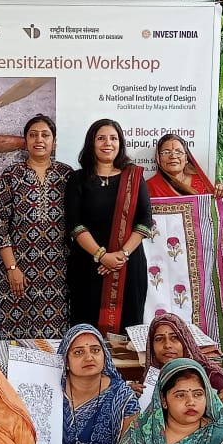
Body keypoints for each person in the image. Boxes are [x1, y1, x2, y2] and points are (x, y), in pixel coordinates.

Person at [65, 118, 154, 334]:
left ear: (120, 143)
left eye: (113, 138)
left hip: (128, 266)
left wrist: (120, 256)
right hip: (88, 266)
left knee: (127, 331)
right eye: (101, 138)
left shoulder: (134, 177)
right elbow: (75, 225)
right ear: (91, 143)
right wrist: (102, 255)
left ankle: (126, 370)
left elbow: (144, 221)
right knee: (86, 329)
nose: (108, 143)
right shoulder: (78, 179)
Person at [0, 114, 73, 339]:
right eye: (33, 135)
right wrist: (11, 269)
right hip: (18, 272)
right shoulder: (12, 175)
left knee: (54, 340)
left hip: (58, 272)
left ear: (54, 141)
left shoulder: (67, 175)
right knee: (16, 339)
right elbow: (0, 225)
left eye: (45, 135)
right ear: (25, 140)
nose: (39, 140)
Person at [60, 323, 139, 444]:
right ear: (66, 361)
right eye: (78, 352)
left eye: (95, 350)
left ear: (105, 356)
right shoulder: (50, 393)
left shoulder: (124, 399)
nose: (89, 357)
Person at [144, 312, 223, 405]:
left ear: (185, 342)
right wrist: (132, 398)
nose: (167, 345)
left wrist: (220, 408)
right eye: (159, 339)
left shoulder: (211, 377)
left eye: (174, 338)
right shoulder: (150, 378)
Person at [146, 132, 223, 198]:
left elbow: (214, 209)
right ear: (158, 158)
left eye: (178, 152)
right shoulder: (149, 186)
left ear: (186, 158)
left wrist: (221, 192)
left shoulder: (201, 182)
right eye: (166, 152)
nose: (173, 156)